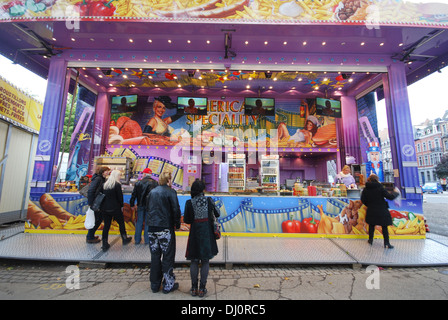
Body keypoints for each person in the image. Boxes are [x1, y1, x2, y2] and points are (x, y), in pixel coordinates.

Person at [145, 171, 181, 294]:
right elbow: (176, 210)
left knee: (155, 256)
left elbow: (147, 208)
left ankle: (154, 285)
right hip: (165, 228)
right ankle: (168, 285)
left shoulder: (152, 192)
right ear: (169, 180)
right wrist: (177, 224)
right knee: (168, 256)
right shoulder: (171, 192)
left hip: (152, 228)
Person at [183, 179, 220, 297]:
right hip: (207, 234)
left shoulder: (189, 202)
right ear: (203, 190)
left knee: (194, 260)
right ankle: (202, 289)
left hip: (194, 234)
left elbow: (187, 220)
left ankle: (194, 288)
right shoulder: (209, 200)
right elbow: (217, 213)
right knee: (205, 261)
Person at [361, 174, 399, 249]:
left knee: (371, 225)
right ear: (376, 180)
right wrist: (396, 192)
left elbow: (363, 200)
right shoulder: (380, 188)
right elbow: (390, 197)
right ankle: (387, 243)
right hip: (381, 209)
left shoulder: (366, 189)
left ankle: (370, 240)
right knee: (384, 226)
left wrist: (369, 204)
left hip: (371, 209)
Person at [100, 170, 132, 251]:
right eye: (119, 176)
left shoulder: (104, 184)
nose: (120, 177)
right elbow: (120, 197)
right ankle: (124, 239)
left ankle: (104, 243)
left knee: (106, 225)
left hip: (105, 208)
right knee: (121, 223)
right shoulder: (117, 185)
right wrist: (121, 206)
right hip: (115, 208)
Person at [130, 168, 158, 245]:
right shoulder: (155, 183)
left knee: (139, 222)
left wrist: (132, 204)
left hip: (140, 205)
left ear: (144, 174)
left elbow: (134, 195)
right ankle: (147, 240)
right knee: (148, 222)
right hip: (150, 206)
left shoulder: (138, 183)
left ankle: (137, 240)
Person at [86, 166, 110, 244]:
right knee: (97, 219)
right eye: (107, 171)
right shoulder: (98, 179)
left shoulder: (101, 179)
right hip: (96, 203)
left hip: (98, 202)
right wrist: (91, 203)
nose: (108, 172)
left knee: (98, 219)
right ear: (103, 172)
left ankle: (91, 235)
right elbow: (91, 190)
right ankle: (90, 237)